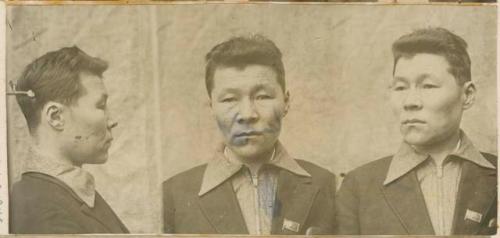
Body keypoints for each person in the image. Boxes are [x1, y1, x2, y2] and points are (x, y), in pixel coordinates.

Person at [162, 34, 336, 235]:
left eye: (262, 96)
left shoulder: (326, 184)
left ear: (286, 102)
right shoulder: (172, 195)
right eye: (229, 99)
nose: (247, 114)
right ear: (211, 107)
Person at [336, 27, 497, 235]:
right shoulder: (358, 186)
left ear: (467, 95)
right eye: (400, 87)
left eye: (428, 86)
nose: (410, 102)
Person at [10, 46, 129, 234]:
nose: (112, 121)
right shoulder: (39, 206)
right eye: (101, 105)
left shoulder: (64, 193)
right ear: (56, 117)